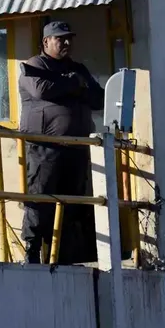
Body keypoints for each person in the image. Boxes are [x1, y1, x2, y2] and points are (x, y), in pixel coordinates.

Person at [18, 20, 105, 264]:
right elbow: (41, 90)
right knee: (41, 197)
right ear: (46, 42)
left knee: (72, 201)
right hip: (45, 146)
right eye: (60, 38)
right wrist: (74, 85)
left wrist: (73, 86)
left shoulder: (77, 68)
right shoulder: (34, 66)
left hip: (75, 147)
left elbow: (98, 98)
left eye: (69, 38)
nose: (67, 43)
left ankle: (65, 254)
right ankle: (32, 252)